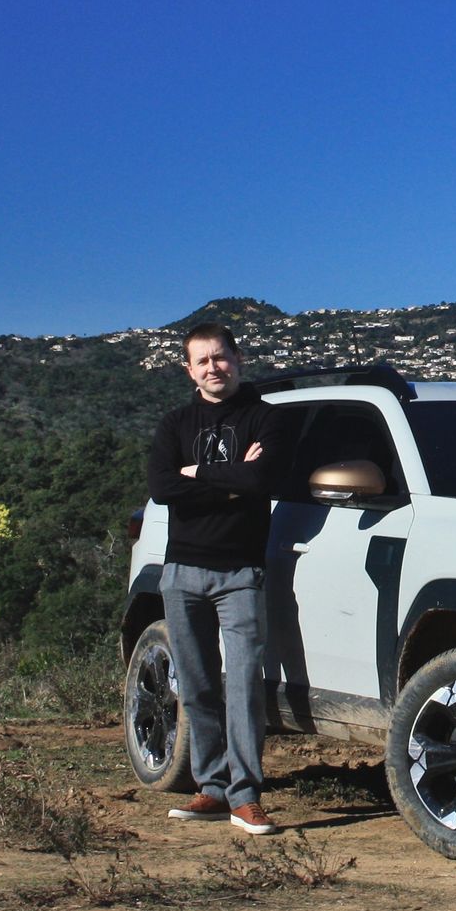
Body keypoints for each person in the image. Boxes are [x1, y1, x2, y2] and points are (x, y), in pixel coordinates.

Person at [144, 323, 281, 835]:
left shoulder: (264, 418)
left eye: (220, 357)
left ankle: (246, 796)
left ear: (238, 358)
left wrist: (194, 475)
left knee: (244, 685)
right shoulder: (175, 423)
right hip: (181, 571)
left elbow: (261, 480)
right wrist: (228, 483)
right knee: (197, 685)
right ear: (189, 369)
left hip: (240, 571)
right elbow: (161, 487)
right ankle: (212, 788)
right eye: (201, 361)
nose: (212, 368)